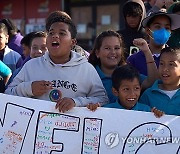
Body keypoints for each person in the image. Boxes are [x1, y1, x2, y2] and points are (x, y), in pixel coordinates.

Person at [5, 11, 108, 113]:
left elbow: (102, 99)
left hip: (72, 127)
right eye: (51, 33)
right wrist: (29, 88)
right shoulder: (31, 66)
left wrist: (76, 102)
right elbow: (8, 94)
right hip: (38, 127)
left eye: (62, 33)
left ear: (73, 42)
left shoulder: (86, 69)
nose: (55, 36)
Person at [89, 30, 158, 104]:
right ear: (97, 53)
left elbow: (152, 82)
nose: (113, 52)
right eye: (107, 48)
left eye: (117, 48)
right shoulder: (88, 75)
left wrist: (146, 51)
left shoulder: (128, 73)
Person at [87, 65, 163, 118]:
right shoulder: (105, 111)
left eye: (136, 88)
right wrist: (93, 111)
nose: (132, 94)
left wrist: (158, 116)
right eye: (126, 89)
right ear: (115, 91)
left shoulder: (147, 112)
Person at [127, 10, 180, 76]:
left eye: (167, 28)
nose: (163, 31)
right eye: (158, 27)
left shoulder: (176, 58)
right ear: (147, 30)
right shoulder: (134, 59)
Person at [139, 47, 180, 116]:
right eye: (161, 64)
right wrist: (150, 115)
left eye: (171, 64)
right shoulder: (148, 94)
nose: (165, 69)